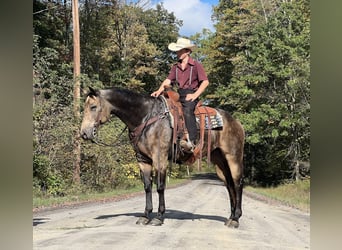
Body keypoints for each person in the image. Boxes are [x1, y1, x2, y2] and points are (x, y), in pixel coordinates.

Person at [151, 38, 209, 152]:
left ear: (187, 51)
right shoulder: (175, 67)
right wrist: (158, 90)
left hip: (191, 94)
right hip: (179, 94)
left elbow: (205, 82)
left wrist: (195, 95)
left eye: (180, 51)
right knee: (165, 109)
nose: (177, 53)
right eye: (177, 51)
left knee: (187, 111)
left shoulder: (196, 65)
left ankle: (192, 142)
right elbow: (168, 81)